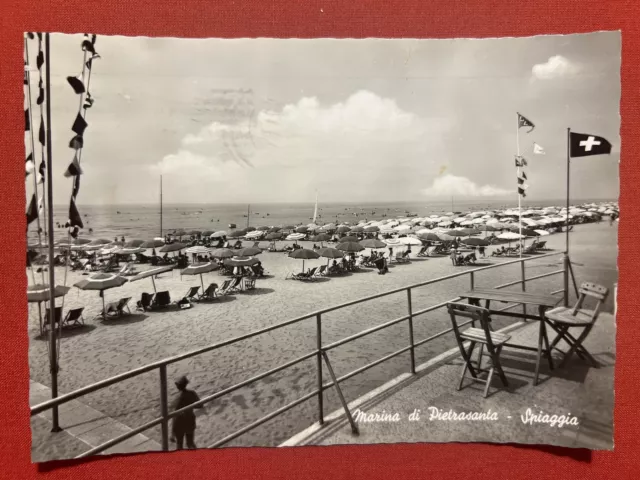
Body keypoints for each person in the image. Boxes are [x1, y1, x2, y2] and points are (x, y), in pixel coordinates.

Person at [171, 375, 203, 450]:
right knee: (190, 443)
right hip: (189, 420)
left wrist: (172, 434)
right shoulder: (192, 393)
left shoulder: (177, 397)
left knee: (179, 445)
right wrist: (191, 406)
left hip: (179, 422)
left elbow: (174, 415)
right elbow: (200, 405)